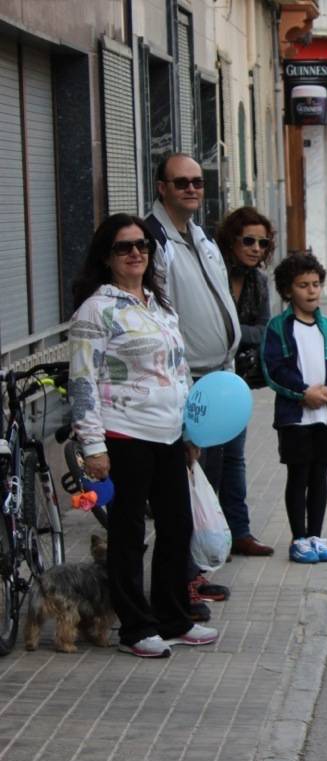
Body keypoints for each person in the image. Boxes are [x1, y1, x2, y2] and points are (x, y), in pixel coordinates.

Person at [68, 214, 219, 658]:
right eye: (123, 247)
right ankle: (136, 627)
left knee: (177, 527)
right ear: (106, 256)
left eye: (142, 245)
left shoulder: (159, 304)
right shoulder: (97, 310)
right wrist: (93, 447)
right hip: (124, 435)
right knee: (130, 536)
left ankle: (174, 618)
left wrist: (193, 428)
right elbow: (82, 382)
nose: (136, 253)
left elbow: (179, 370)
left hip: (170, 434)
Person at [145, 153, 240, 616]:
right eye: (181, 182)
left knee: (209, 486)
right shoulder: (153, 240)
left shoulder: (200, 237)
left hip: (219, 379)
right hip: (188, 383)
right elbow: (161, 317)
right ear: (161, 187)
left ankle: (194, 575)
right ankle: (180, 585)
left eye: (198, 182)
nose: (191, 189)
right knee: (182, 494)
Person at [261, 253, 327, 565]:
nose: (312, 291)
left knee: (320, 475)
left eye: (316, 284)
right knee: (298, 476)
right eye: (303, 285)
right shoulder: (278, 328)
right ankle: (298, 538)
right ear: (289, 291)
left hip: (326, 416)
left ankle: (316, 535)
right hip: (295, 418)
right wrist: (303, 393)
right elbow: (274, 369)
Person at [212, 207, 276, 558]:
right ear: (231, 240)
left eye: (262, 243)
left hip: (235, 382)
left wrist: (229, 335)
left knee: (234, 459)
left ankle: (240, 532)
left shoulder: (258, 282)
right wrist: (240, 335)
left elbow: (264, 330)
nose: (256, 248)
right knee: (206, 461)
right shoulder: (213, 273)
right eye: (248, 240)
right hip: (203, 378)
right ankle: (208, 535)